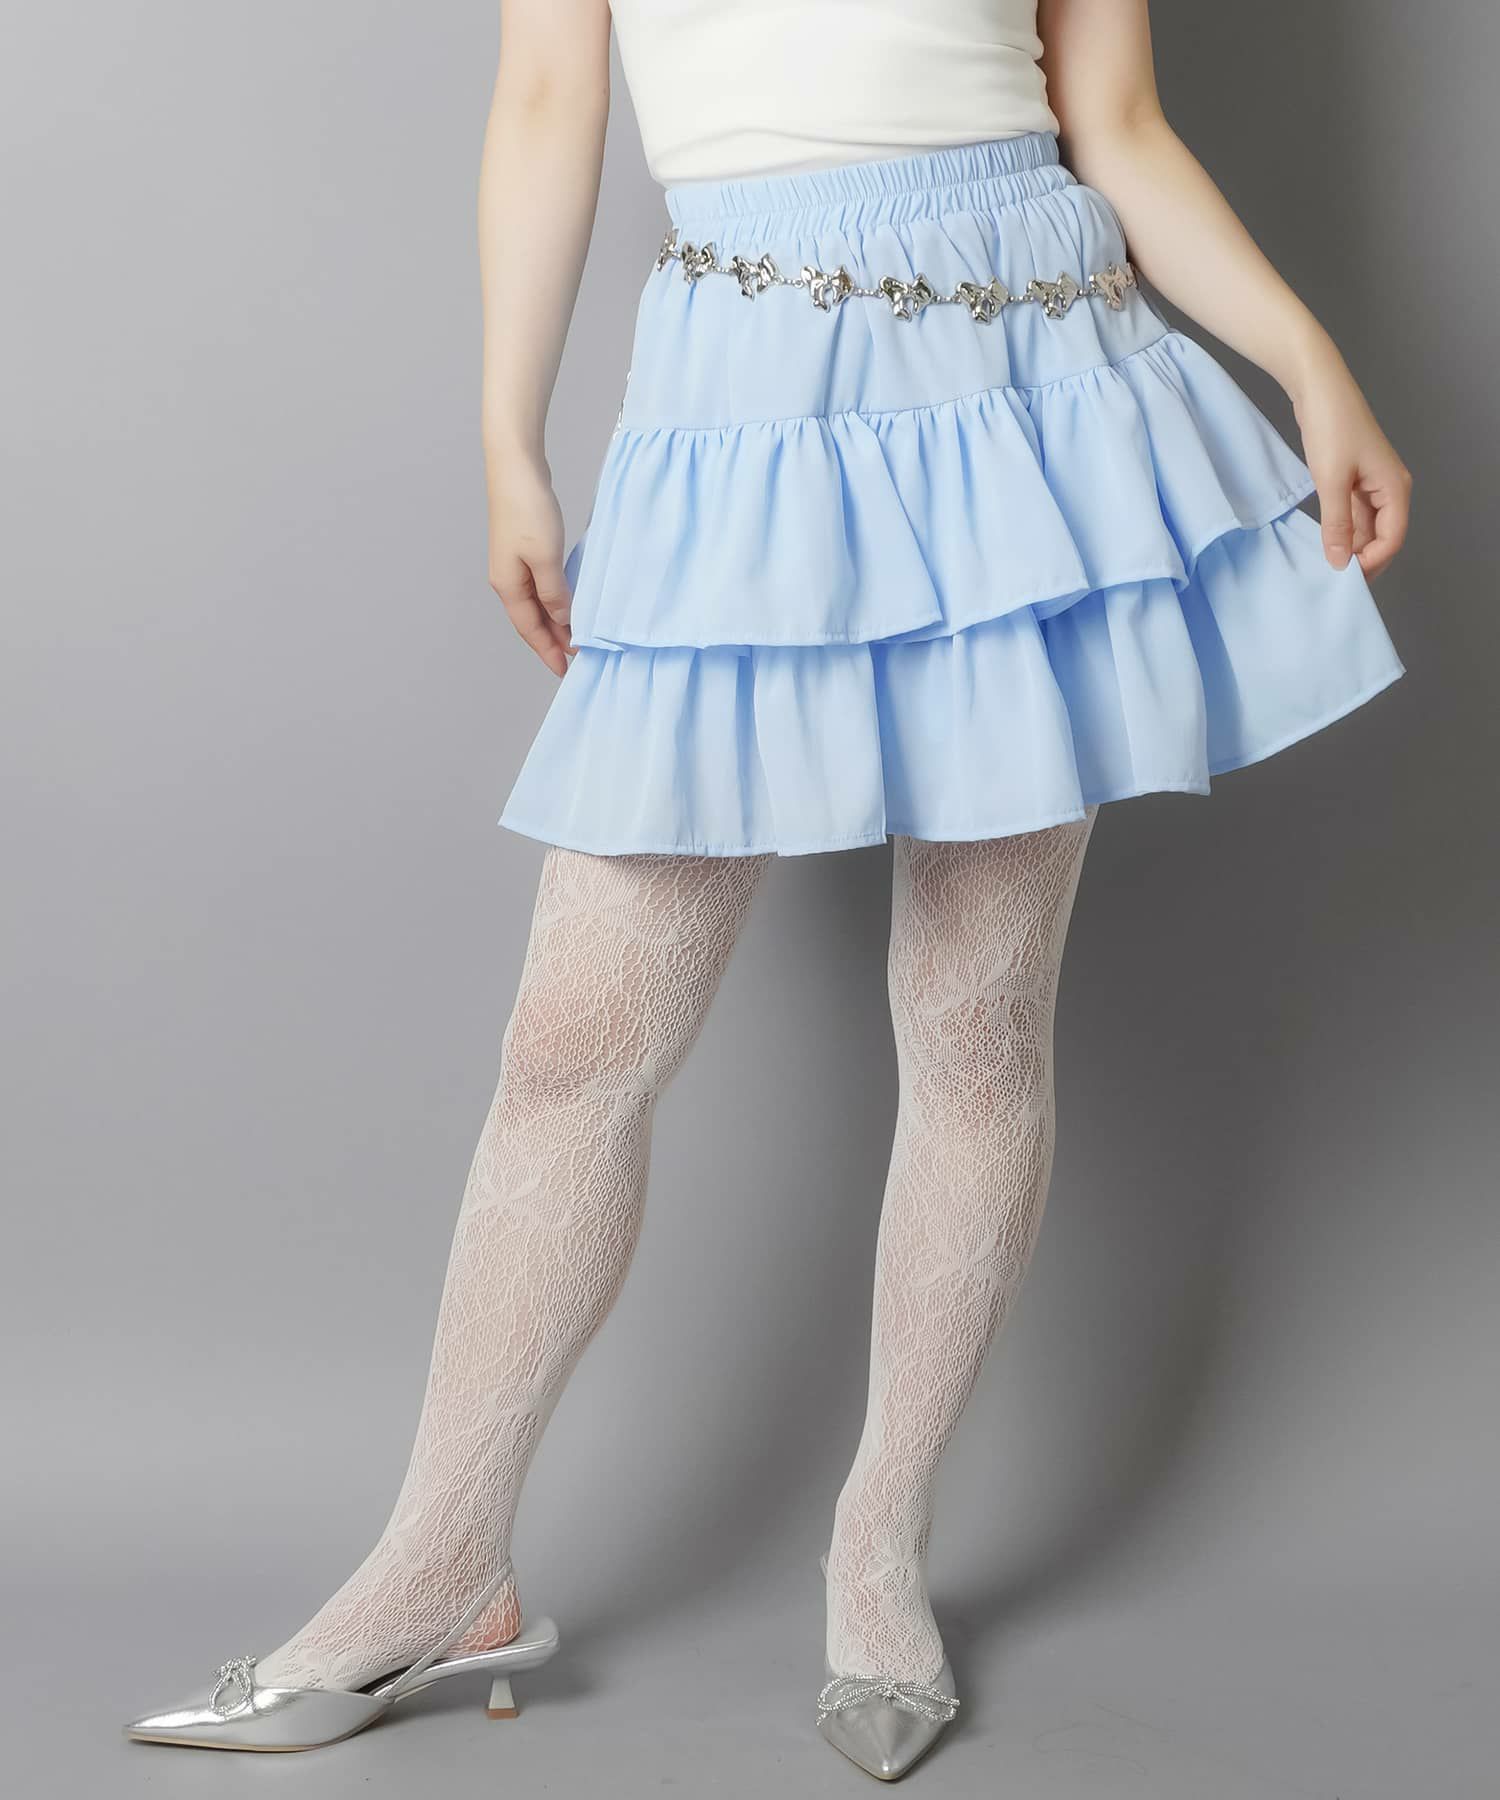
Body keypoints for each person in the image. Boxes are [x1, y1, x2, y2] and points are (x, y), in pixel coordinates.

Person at [126, 0, 1408, 1780]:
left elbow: (1114, 119)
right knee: (576, 1040)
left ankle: (879, 1553)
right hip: (745, 382)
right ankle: (439, 1568)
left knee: (974, 1019)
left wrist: (1309, 359)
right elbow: (547, 95)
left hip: (1024, 373)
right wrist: (507, 437)